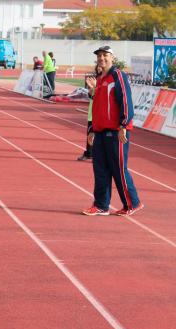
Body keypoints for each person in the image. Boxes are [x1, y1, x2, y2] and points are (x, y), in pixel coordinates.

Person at [82, 46, 144, 217]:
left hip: (116, 132)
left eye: (105, 55)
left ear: (112, 58)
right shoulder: (101, 78)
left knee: (119, 169)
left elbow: (125, 100)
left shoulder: (118, 75)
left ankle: (132, 203)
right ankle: (101, 205)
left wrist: (124, 125)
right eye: (99, 56)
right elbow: (99, 106)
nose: (101, 58)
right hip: (101, 132)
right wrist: (93, 128)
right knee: (100, 170)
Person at [78, 64, 103, 161]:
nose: (99, 68)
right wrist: (91, 88)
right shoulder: (95, 78)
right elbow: (91, 95)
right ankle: (89, 153)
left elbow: (100, 95)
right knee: (89, 135)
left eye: (100, 67)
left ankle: (95, 155)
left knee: (95, 136)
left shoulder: (104, 80)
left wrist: (94, 87)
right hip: (92, 113)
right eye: (98, 67)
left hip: (99, 113)